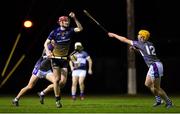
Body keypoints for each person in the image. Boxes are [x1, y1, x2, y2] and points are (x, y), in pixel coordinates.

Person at [108, 30, 173, 108]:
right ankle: (159, 100)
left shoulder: (139, 43)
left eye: (139, 34)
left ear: (142, 37)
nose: (138, 35)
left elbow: (124, 39)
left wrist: (114, 35)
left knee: (157, 87)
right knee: (148, 84)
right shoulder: (149, 43)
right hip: (154, 66)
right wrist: (135, 50)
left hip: (155, 66)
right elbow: (144, 52)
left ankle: (169, 102)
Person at [44, 12, 83, 108]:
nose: (67, 22)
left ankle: (43, 92)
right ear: (60, 22)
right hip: (55, 59)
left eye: (68, 21)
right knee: (57, 80)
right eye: (65, 21)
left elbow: (80, 29)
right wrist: (48, 52)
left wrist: (74, 18)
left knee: (63, 83)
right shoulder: (54, 32)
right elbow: (45, 44)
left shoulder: (70, 30)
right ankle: (57, 100)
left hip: (64, 60)